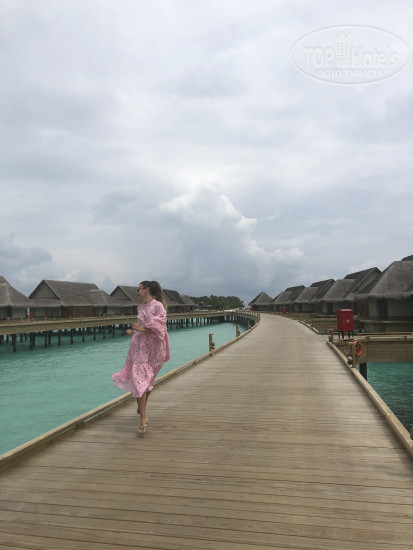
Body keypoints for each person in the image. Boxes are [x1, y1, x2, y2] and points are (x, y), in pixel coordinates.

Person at [112, 280, 170, 435]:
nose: (136, 293)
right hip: (140, 348)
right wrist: (134, 332)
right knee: (139, 378)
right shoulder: (140, 307)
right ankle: (143, 418)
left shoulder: (158, 306)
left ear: (146, 290)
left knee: (147, 381)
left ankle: (141, 405)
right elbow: (141, 327)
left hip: (155, 348)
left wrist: (141, 329)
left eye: (138, 290)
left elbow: (160, 330)